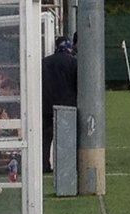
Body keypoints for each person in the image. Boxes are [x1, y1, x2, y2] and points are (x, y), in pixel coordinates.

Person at [41, 37, 77, 173]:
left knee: (46, 137)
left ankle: (44, 164)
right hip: (67, 105)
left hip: (46, 105)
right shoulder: (73, 62)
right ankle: (65, 168)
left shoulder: (44, 62)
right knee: (66, 137)